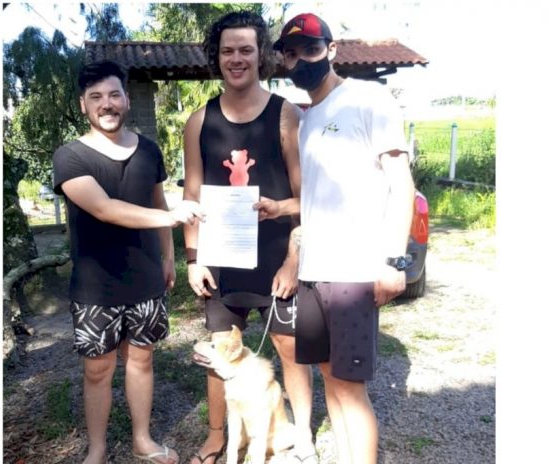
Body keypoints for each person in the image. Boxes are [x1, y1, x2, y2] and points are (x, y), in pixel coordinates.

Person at [263, 13, 416, 464]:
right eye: (292, 54)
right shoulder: (308, 119)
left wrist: (394, 261)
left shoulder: (368, 99)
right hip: (314, 272)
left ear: (331, 50)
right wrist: (281, 209)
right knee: (331, 379)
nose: (301, 61)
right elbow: (319, 198)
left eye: (311, 49)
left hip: (353, 272)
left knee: (351, 389)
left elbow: (400, 182)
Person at [52, 60, 203, 464]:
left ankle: (142, 440)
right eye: (96, 97)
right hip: (95, 287)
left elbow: (158, 202)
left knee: (141, 361)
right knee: (97, 371)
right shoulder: (69, 157)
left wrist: (168, 256)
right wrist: (171, 218)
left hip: (146, 280)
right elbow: (105, 209)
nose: (107, 104)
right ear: (83, 105)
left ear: (126, 100)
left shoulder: (149, 150)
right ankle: (97, 450)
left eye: (114, 94)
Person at [182, 11, 316, 464]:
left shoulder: (287, 115)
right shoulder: (199, 121)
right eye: (227, 51)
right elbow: (192, 195)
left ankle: (303, 435)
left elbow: (306, 197)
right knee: (221, 350)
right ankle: (217, 437)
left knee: (289, 347)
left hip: (277, 257)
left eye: (245, 50)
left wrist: (294, 260)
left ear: (261, 55)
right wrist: (193, 259)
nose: (236, 59)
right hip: (221, 260)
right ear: (216, 57)